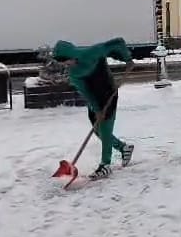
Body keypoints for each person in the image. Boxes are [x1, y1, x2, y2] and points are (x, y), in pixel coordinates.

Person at [53, 37, 135, 179]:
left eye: (66, 61)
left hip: (108, 91)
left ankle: (105, 165)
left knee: (105, 128)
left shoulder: (93, 52)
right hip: (94, 98)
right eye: (63, 63)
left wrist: (127, 59)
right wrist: (96, 109)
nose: (66, 65)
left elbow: (118, 42)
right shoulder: (74, 75)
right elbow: (87, 93)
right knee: (98, 130)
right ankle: (123, 148)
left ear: (71, 55)